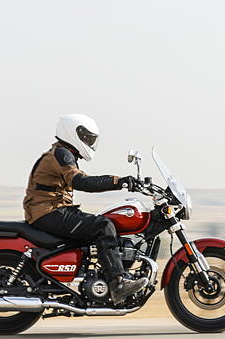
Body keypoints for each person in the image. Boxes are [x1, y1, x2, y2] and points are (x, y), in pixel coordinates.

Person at [23, 114, 148, 305]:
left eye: (91, 138)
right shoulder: (62, 154)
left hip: (49, 209)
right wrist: (119, 181)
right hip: (47, 210)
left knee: (98, 225)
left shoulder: (63, 153)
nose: (89, 141)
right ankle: (117, 284)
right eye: (86, 137)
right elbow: (81, 181)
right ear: (73, 133)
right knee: (103, 225)